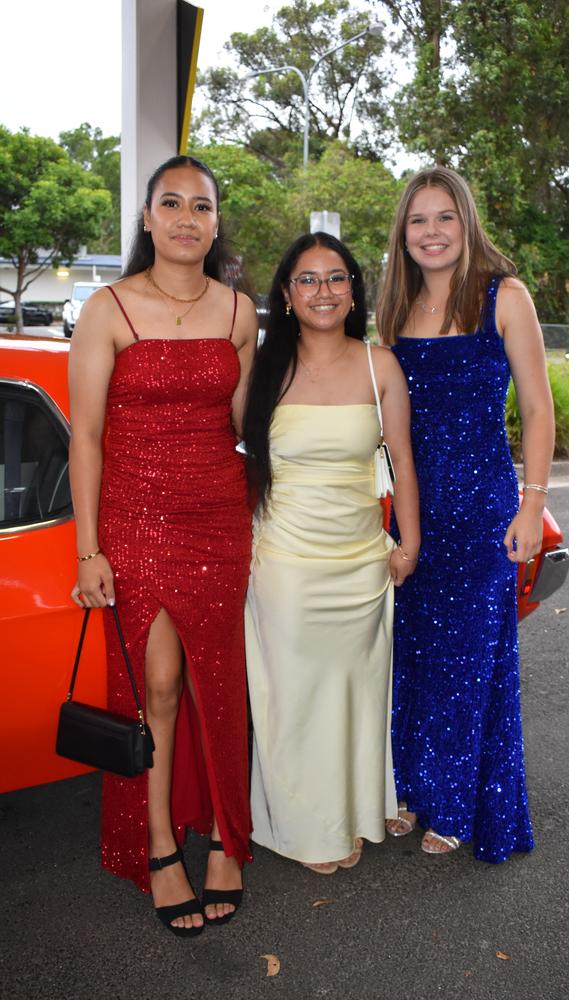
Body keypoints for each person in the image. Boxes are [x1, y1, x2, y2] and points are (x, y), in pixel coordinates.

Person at [68, 155, 257, 935]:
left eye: (201, 206)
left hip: (218, 514)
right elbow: (84, 435)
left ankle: (221, 834)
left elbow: (247, 428)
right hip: (137, 518)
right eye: (171, 204)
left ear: (215, 223)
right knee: (161, 684)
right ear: (146, 218)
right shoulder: (108, 308)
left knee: (221, 679)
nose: (187, 217)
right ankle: (156, 840)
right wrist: (88, 549)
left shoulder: (240, 312)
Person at [376, 166, 554, 863]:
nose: (432, 232)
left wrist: (532, 504)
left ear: (466, 222)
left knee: (469, 656)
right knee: (412, 652)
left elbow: (538, 409)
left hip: (482, 506)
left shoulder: (502, 296)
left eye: (444, 217)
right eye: (418, 220)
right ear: (404, 233)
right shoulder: (395, 310)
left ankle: (456, 801)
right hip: (416, 505)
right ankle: (413, 788)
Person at [242, 233, 420, 874]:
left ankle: (348, 812)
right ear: (286, 295)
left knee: (353, 693)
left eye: (336, 278)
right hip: (285, 560)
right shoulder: (260, 368)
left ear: (354, 291)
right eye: (308, 279)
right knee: (292, 698)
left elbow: (401, 460)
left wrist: (410, 539)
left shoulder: (381, 365)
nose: (324, 291)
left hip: (359, 562)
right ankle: (301, 828)